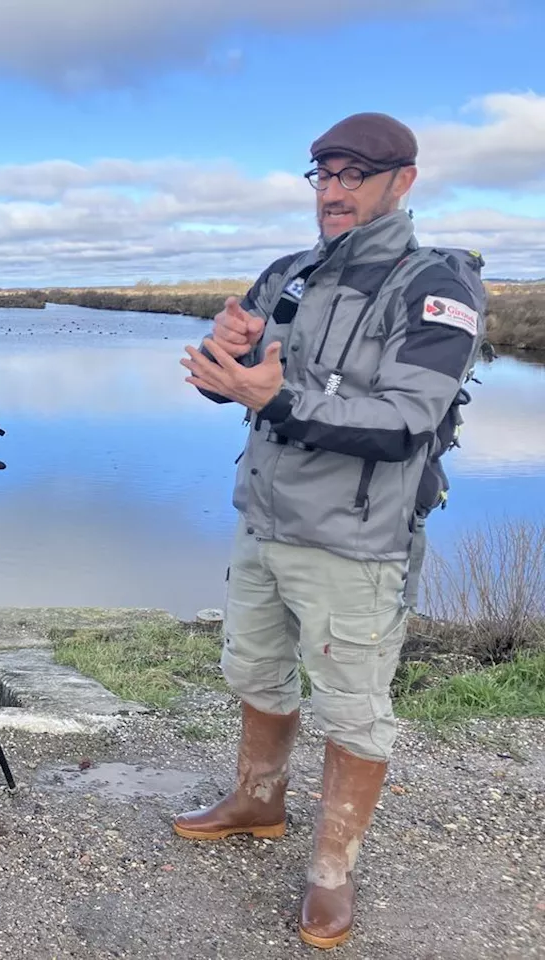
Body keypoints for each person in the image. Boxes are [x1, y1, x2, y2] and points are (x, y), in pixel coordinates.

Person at [174, 112, 487, 949]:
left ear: (403, 181)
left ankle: (331, 873)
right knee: (255, 670)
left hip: (355, 540)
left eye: (356, 174)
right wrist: (228, 363)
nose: (336, 191)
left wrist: (269, 396)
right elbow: (244, 387)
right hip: (263, 521)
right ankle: (257, 801)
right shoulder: (289, 273)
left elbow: (403, 422)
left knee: (352, 708)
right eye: (324, 174)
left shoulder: (438, 286)